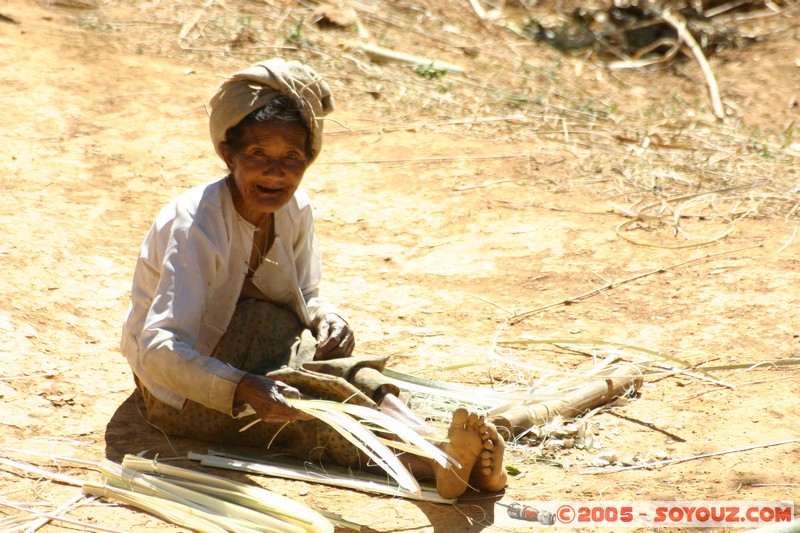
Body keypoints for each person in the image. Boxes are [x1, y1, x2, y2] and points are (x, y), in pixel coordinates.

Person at [120, 58, 506, 499]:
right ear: (230, 156)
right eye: (258, 156)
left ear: (308, 160)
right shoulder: (197, 225)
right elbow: (159, 348)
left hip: (257, 340)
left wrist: (327, 316)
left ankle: (439, 447)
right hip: (180, 388)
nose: (276, 173)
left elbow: (305, 292)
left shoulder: (294, 208)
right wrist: (242, 386)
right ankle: (430, 462)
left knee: (346, 374)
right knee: (303, 407)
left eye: (292, 159)